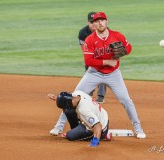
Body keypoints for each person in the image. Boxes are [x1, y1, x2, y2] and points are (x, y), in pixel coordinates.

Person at [50, 11, 146, 139]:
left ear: (106, 22)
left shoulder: (117, 35)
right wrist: (108, 61)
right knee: (73, 97)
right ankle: (59, 126)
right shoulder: (90, 39)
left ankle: (138, 129)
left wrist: (123, 51)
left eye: (102, 20)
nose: (99, 23)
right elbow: (88, 61)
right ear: (93, 24)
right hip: (94, 73)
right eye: (96, 21)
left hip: (113, 74)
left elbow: (129, 48)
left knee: (126, 100)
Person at [78, 11, 106, 103]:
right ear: (88, 22)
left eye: (95, 22)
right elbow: (84, 50)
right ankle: (89, 92)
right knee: (89, 72)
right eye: (91, 22)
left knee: (103, 72)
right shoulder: (83, 32)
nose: (94, 24)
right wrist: (92, 60)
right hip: (90, 57)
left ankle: (101, 96)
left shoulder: (105, 31)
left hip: (104, 57)